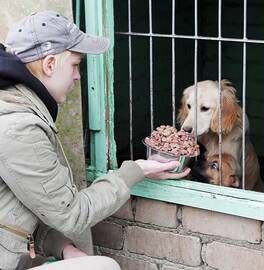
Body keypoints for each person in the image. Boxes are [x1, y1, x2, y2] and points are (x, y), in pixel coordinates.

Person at [0, 10, 191, 270]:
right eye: (75, 65)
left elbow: (21, 210)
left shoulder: (16, 106)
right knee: (103, 267)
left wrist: (63, 248)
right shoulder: (19, 128)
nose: (78, 77)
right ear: (49, 64)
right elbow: (72, 214)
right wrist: (136, 170)